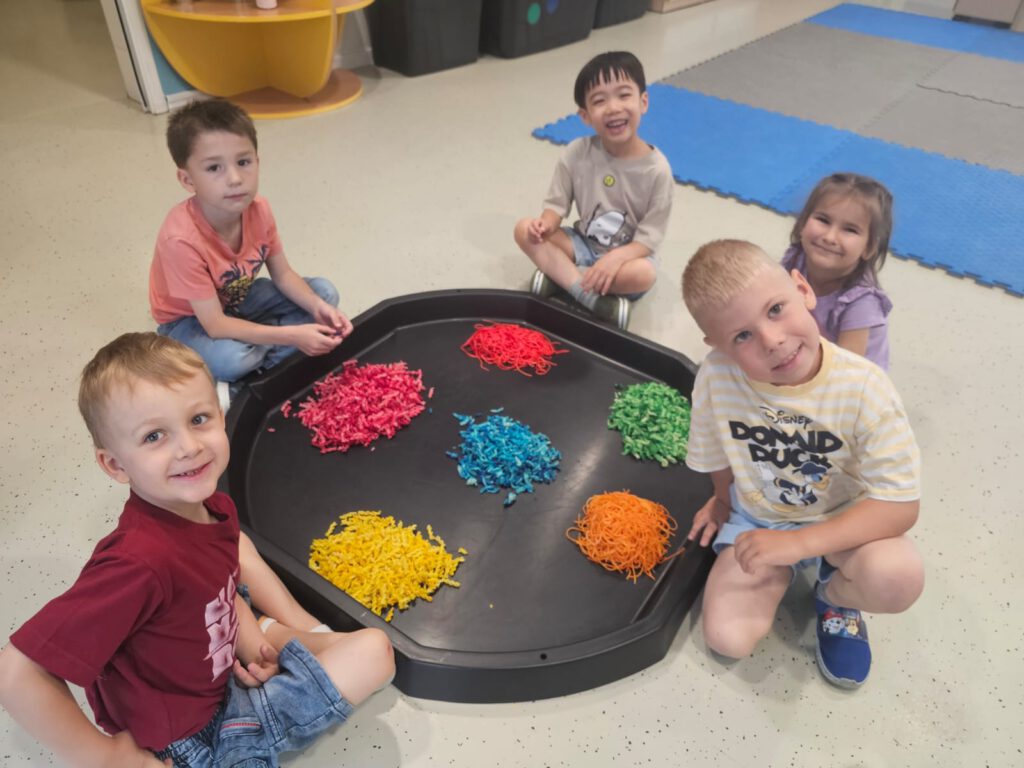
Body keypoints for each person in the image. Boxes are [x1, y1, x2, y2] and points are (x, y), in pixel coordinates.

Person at [0, 333, 394, 766]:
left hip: (223, 665)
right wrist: (110, 758)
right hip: (191, 741)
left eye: (199, 419)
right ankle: (279, 635)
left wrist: (248, 644)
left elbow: (215, 579)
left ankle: (275, 633)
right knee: (369, 657)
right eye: (154, 436)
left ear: (221, 416)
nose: (189, 447)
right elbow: (18, 672)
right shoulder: (136, 564)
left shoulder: (210, 506)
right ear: (115, 464)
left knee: (375, 650)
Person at [680, 240, 924, 688]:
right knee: (727, 638)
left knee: (896, 577)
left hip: (844, 519)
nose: (772, 341)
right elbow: (714, 446)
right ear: (718, 346)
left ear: (802, 289)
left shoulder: (865, 387)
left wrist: (798, 545)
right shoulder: (715, 375)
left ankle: (833, 596)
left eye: (775, 309)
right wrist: (721, 501)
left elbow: (900, 505)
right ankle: (799, 567)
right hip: (760, 517)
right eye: (741, 336)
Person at [149, 98, 354, 405]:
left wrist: (316, 306)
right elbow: (215, 324)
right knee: (235, 359)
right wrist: (293, 336)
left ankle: (260, 349)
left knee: (325, 293)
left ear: (258, 161)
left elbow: (283, 275)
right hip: (189, 320)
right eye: (214, 168)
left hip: (237, 297)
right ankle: (250, 370)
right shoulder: (180, 239)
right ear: (187, 179)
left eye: (243, 162)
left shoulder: (260, 210)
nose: (234, 178)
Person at [514, 51, 674, 331]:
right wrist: (545, 225)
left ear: (643, 101)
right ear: (585, 116)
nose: (613, 108)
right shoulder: (577, 152)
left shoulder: (657, 170)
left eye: (623, 95)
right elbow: (556, 205)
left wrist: (616, 258)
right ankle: (591, 297)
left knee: (644, 275)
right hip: (583, 244)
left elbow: (649, 240)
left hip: (628, 257)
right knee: (523, 230)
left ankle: (562, 279)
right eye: (600, 101)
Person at [782, 172, 894, 369]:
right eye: (823, 220)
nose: (830, 237)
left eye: (850, 230)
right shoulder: (795, 259)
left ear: (869, 248)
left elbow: (845, 371)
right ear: (802, 224)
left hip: (850, 377)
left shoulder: (862, 302)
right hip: (807, 351)